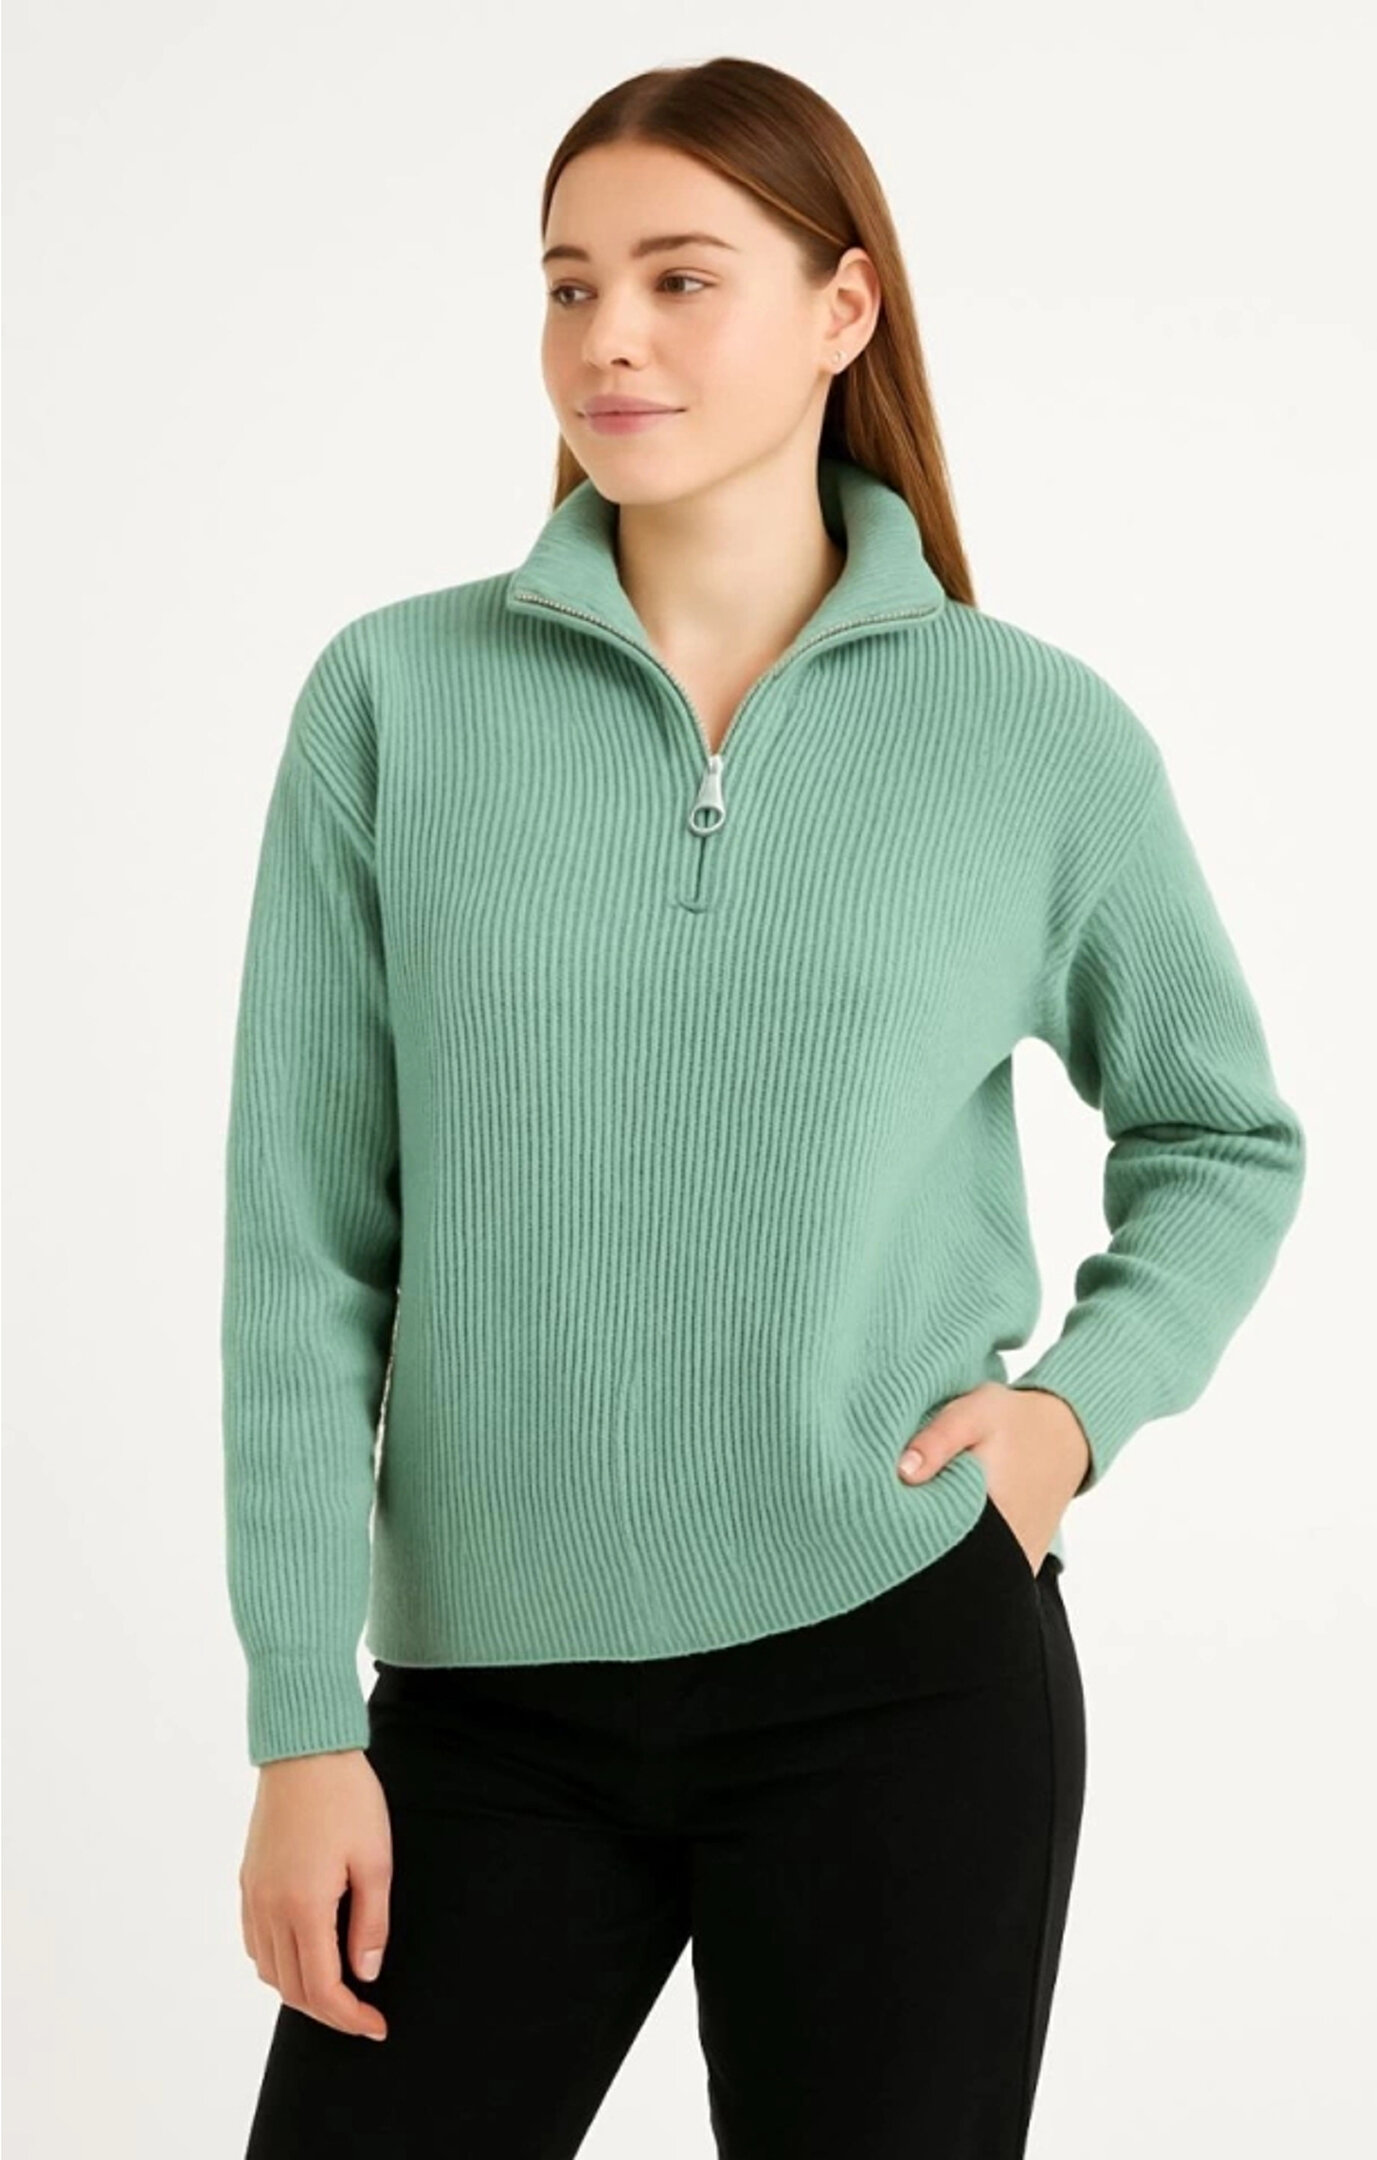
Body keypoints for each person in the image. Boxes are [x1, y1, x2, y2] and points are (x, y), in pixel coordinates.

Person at [223, 56, 1307, 2160]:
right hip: (484, 1718)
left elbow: (1221, 1133)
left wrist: (1074, 1416)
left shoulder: (1029, 735)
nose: (606, 339)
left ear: (843, 309)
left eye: (678, 278)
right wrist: (294, 1724)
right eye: (569, 284)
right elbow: (303, 1245)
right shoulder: (393, 700)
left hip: (899, 1672)